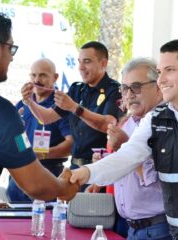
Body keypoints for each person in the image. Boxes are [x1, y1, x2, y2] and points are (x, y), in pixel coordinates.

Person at [70, 39, 178, 240]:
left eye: (170, 70)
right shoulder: (155, 117)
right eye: (160, 72)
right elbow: (128, 157)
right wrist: (83, 174)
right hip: (175, 234)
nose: (161, 80)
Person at [0, 9, 78, 213]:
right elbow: (36, 185)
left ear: (54, 78)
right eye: (11, 48)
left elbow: (67, 141)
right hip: (33, 180)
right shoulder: (2, 112)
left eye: (43, 75)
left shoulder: (57, 104)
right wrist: (65, 187)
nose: (11, 58)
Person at [21, 41, 123, 191]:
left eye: (87, 62)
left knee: (95, 213)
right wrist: (29, 102)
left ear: (103, 63)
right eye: (79, 62)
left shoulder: (114, 90)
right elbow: (47, 117)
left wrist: (74, 107)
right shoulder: (77, 89)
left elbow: (108, 124)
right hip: (74, 170)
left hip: (98, 170)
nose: (81, 67)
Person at [88, 57, 171, 240]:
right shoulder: (128, 123)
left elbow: (158, 182)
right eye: (125, 88)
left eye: (136, 87)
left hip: (158, 228)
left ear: (158, 87)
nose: (129, 94)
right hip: (129, 227)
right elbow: (122, 168)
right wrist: (100, 172)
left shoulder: (168, 124)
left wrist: (124, 146)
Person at [7, 58, 73, 202]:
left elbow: (71, 145)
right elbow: (16, 137)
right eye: (33, 75)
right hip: (19, 174)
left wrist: (42, 155)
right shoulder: (23, 104)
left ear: (55, 78)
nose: (37, 80)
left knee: (42, 222)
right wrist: (23, 149)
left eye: (43, 75)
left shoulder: (60, 105)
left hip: (48, 173)